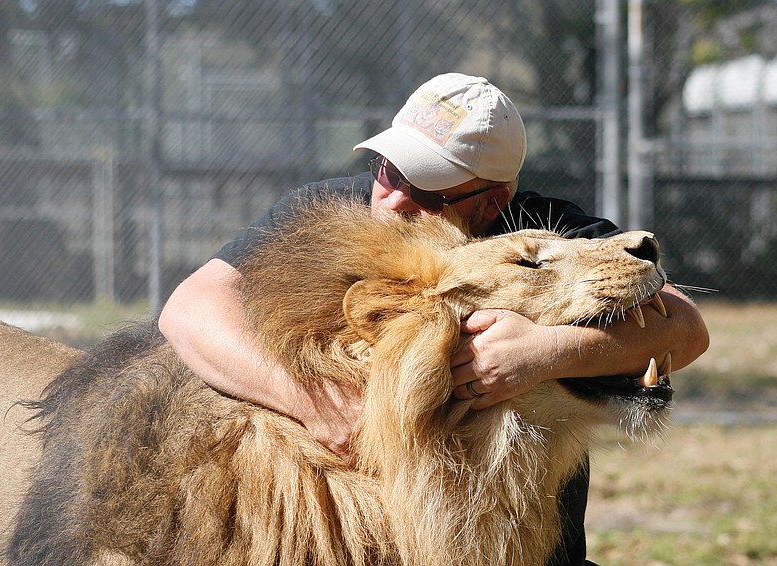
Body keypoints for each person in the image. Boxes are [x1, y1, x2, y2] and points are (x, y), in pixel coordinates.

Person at [158, 73, 709, 565]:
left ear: (491, 203)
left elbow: (685, 328)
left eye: (425, 186)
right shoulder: (331, 212)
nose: (393, 199)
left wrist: (540, 353)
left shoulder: (541, 228)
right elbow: (189, 308)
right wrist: (319, 405)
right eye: (387, 167)